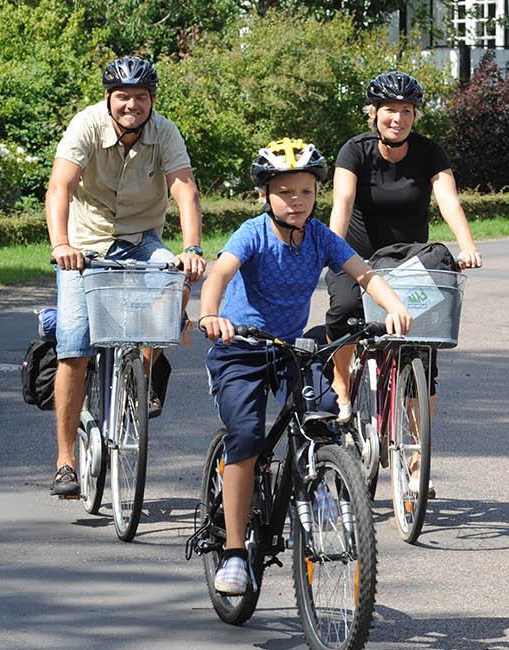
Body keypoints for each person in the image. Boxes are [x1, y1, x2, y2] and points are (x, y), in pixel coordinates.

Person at [198, 137, 411, 596]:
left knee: (322, 420)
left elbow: (365, 273)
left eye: (307, 192)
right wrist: (211, 314)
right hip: (240, 345)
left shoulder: (319, 237)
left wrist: (392, 307)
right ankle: (235, 551)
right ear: (265, 195)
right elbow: (219, 273)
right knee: (248, 437)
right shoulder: (253, 233)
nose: (297, 201)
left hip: (290, 347)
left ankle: (320, 484)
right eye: (286, 192)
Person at [46, 55, 207, 497]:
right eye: (123, 97)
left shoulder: (166, 132)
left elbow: (184, 190)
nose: (131, 105)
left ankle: (143, 371)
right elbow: (60, 186)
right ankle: (65, 461)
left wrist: (191, 249)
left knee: (173, 284)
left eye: (140, 97)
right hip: (85, 244)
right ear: (109, 99)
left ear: (151, 100)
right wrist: (62, 245)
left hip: (141, 239)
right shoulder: (86, 125)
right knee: (75, 345)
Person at [324, 70, 482, 418]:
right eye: (390, 110)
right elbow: (344, 202)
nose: (398, 118)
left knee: (424, 338)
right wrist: (332, 248)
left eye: (406, 110)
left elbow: (449, 200)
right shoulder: (355, 150)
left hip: (410, 263)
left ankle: (415, 445)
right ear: (374, 113)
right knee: (345, 310)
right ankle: (340, 383)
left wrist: (466, 245)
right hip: (358, 258)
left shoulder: (429, 152)